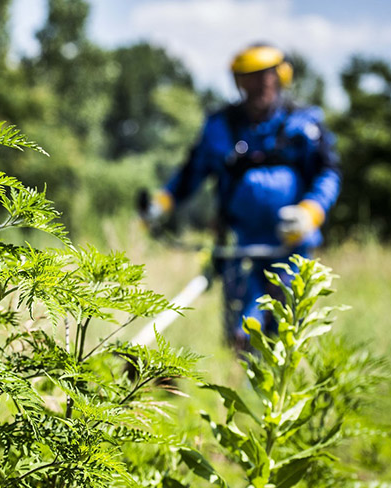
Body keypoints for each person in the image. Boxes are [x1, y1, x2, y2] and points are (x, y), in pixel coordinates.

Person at [140, 43, 341, 351]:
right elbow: (191, 172)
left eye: (266, 74)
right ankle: (243, 392)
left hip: (292, 247)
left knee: (289, 336)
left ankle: (277, 397)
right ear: (237, 81)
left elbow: (329, 173)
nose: (260, 83)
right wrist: (162, 204)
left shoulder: (304, 122)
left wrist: (311, 211)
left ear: (281, 76)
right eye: (250, 76)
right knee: (242, 336)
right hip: (239, 249)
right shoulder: (220, 126)